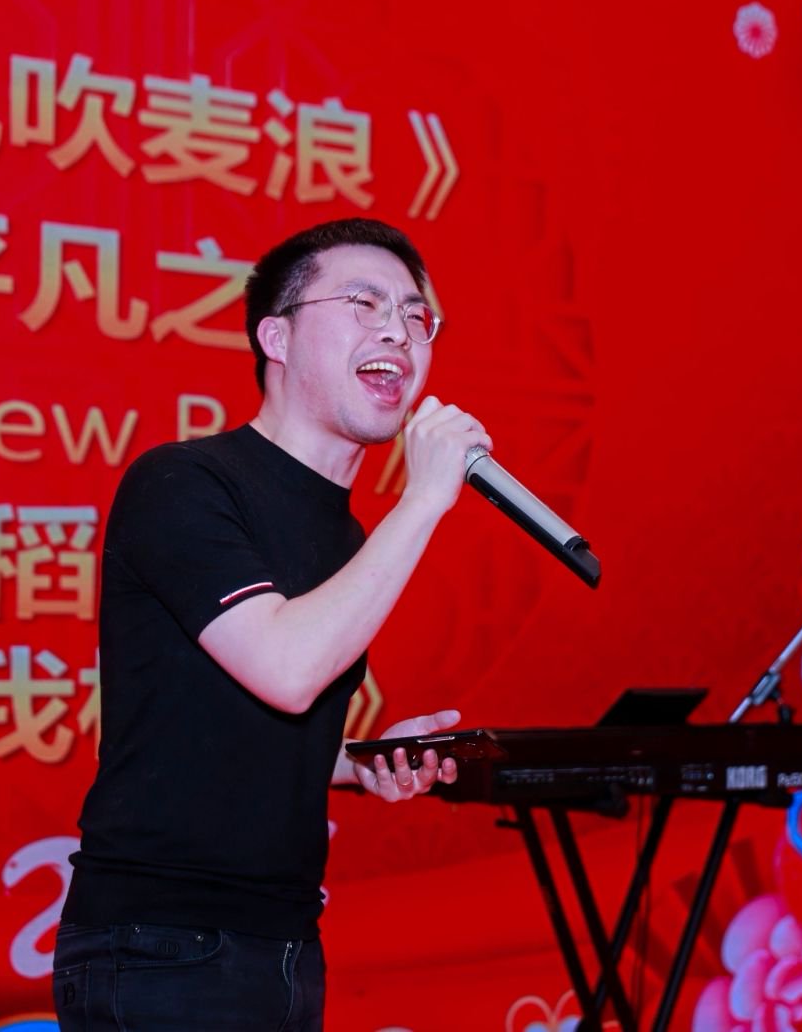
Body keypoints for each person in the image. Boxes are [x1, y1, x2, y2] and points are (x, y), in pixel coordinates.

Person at [53, 218, 491, 1030]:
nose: (397, 331)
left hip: (283, 941)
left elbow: (232, 724)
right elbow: (286, 671)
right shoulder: (183, 482)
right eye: (363, 303)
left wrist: (356, 763)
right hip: (162, 945)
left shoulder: (349, 536)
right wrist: (426, 498)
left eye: (415, 315)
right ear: (276, 337)